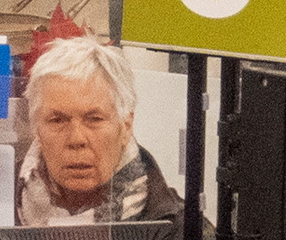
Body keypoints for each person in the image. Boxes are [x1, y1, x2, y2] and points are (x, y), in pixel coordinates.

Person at [12, 34, 183, 227]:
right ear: (37, 131)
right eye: (57, 120)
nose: (76, 139)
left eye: (94, 119)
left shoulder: (183, 232)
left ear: (126, 126)